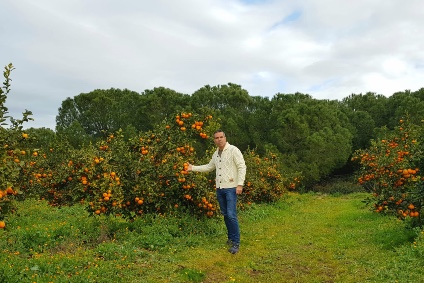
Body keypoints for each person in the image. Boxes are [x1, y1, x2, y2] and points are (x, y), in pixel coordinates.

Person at [187, 130, 246, 254]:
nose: (219, 139)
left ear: (225, 137)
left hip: (231, 188)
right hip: (220, 188)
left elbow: (242, 166)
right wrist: (192, 168)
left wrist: (240, 184)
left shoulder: (233, 150)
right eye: (216, 138)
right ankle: (230, 238)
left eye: (221, 137)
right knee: (225, 214)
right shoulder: (216, 154)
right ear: (214, 140)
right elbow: (209, 167)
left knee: (231, 215)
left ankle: (236, 242)